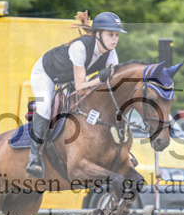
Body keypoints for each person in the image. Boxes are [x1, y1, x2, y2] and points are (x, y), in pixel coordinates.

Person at [26, 11, 125, 178]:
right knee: (44, 108)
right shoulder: (80, 47)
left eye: (116, 35)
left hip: (71, 77)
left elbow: (112, 86)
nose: (114, 39)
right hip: (46, 73)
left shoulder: (112, 54)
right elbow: (80, 86)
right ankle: (34, 157)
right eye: (110, 34)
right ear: (98, 34)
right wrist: (99, 79)